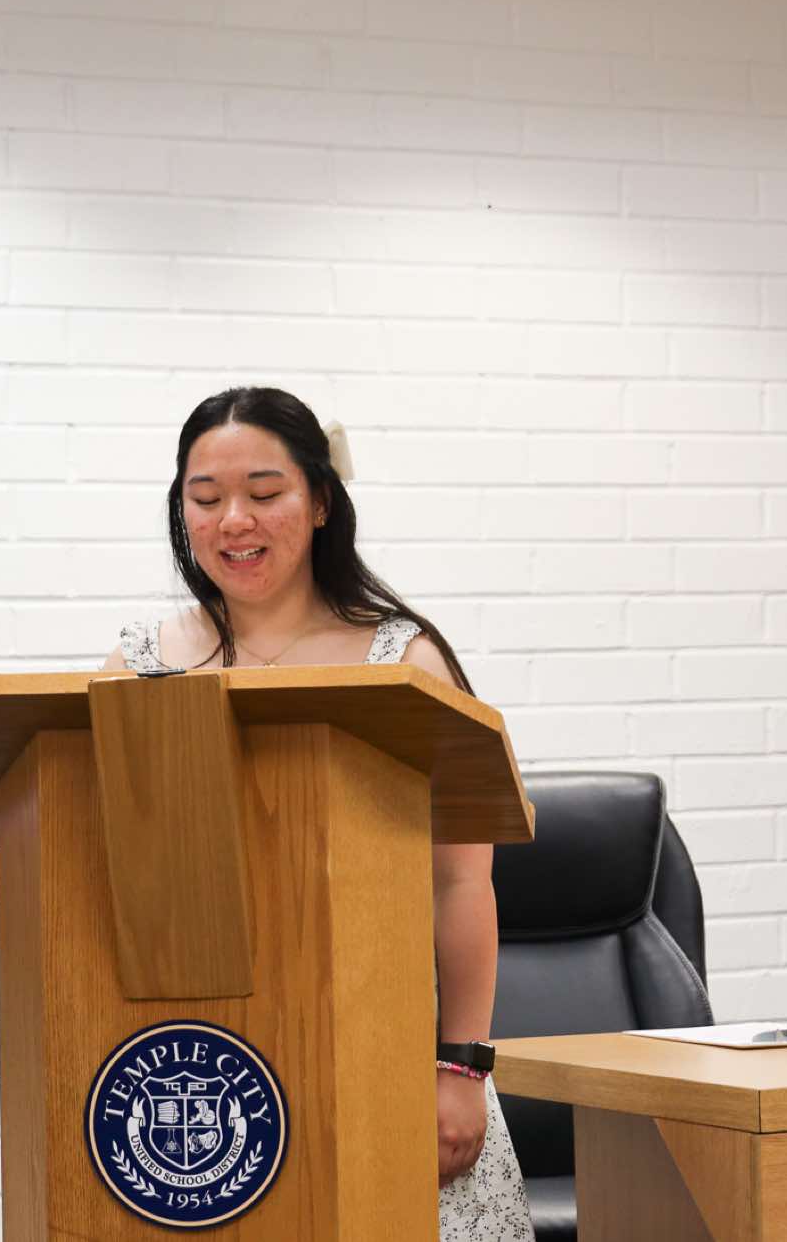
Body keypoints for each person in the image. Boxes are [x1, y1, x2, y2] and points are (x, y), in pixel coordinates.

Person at [102, 385, 533, 1241]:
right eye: (205, 497)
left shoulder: (403, 661)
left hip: (384, 1060)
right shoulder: (140, 663)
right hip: (214, 1076)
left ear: (323, 501)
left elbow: (460, 882)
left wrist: (462, 1068)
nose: (234, 520)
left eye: (264, 493)